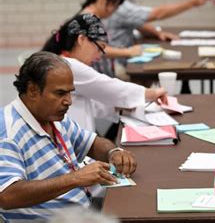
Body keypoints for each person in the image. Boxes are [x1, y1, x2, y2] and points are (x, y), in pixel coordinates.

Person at [0, 51, 137, 221]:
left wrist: (114, 153)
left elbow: (92, 143)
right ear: (33, 90)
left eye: (70, 92)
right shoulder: (8, 133)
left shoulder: (53, 117)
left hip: (80, 210)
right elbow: (6, 196)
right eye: (60, 93)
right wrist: (75, 178)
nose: (69, 101)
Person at [42, 14, 167, 134]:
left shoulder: (63, 63)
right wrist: (152, 93)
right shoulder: (68, 66)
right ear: (82, 39)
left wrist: (121, 105)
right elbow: (108, 87)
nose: (98, 57)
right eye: (99, 48)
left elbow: (93, 104)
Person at [105, 0, 207, 81]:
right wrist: (192, 3)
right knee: (151, 77)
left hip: (122, 60)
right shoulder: (121, 6)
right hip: (118, 65)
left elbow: (137, 22)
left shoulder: (118, 5)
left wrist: (157, 33)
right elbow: (158, 13)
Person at [80, 0, 142, 78]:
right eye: (114, 5)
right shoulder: (90, 19)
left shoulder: (87, 16)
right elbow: (98, 49)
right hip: (95, 76)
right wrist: (128, 52)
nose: (114, 10)